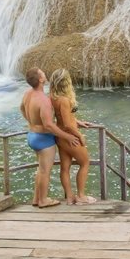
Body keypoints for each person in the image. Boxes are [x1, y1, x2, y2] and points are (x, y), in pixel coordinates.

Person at [20, 67, 78, 208]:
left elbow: (22, 107)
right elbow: (49, 126)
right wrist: (68, 137)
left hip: (32, 135)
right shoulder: (44, 101)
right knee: (45, 171)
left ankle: (36, 198)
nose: (45, 74)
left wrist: (31, 122)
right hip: (43, 139)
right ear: (40, 79)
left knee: (40, 169)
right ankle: (43, 200)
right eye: (42, 73)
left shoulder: (28, 94)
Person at [49, 68, 96, 204]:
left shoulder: (53, 97)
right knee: (85, 162)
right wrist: (79, 135)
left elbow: (63, 117)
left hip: (61, 137)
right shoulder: (64, 100)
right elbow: (68, 124)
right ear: (66, 82)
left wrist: (78, 121)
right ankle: (81, 196)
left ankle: (70, 198)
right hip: (70, 137)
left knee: (65, 168)